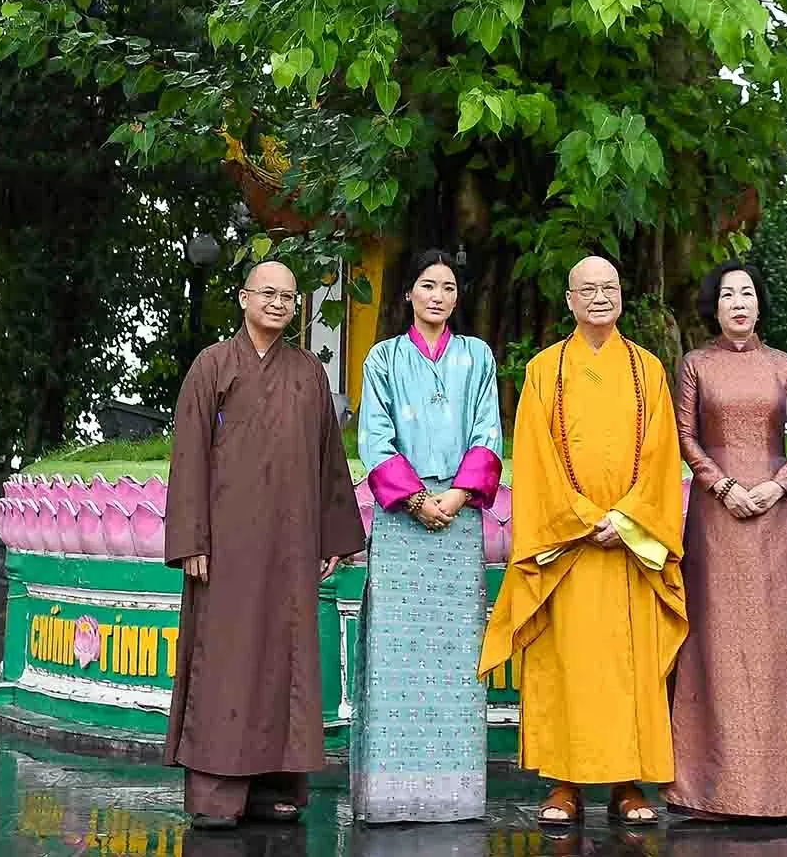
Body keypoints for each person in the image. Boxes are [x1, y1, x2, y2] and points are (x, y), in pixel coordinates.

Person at [478, 254, 685, 829]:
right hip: (569, 547)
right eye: (587, 289)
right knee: (565, 663)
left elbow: (662, 459)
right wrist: (583, 518)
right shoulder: (545, 369)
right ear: (569, 300)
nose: (600, 296)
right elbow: (536, 459)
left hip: (628, 549)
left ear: (622, 295)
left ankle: (626, 783)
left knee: (630, 667)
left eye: (610, 287)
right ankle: (562, 782)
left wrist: (627, 520)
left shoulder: (649, 371)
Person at [163, 259, 368, 829]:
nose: (278, 303)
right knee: (226, 661)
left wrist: (333, 534)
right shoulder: (212, 366)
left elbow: (329, 461)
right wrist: (192, 539)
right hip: (226, 547)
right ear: (243, 297)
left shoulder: (309, 373)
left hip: (291, 543)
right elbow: (189, 458)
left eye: (288, 296)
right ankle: (216, 794)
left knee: (286, 664)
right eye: (267, 293)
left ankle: (276, 786)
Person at [664, 262, 787, 820]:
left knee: (780, 643)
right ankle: (708, 789)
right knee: (715, 639)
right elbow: (685, 435)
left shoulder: (783, 366)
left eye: (747, 293)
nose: (738, 302)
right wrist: (723, 485)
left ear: (759, 304)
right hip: (716, 520)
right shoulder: (696, 365)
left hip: (775, 516)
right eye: (727, 294)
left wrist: (777, 484)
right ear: (713, 306)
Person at [351, 249, 505, 823]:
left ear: (456, 298)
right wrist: (415, 499)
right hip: (401, 520)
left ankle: (456, 798)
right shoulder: (383, 359)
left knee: (457, 654)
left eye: (448, 287)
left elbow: (489, 431)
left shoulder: (477, 357)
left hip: (459, 515)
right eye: (427, 285)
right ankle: (391, 797)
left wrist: (458, 497)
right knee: (396, 652)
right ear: (408, 296)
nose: (438, 296)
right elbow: (374, 438)